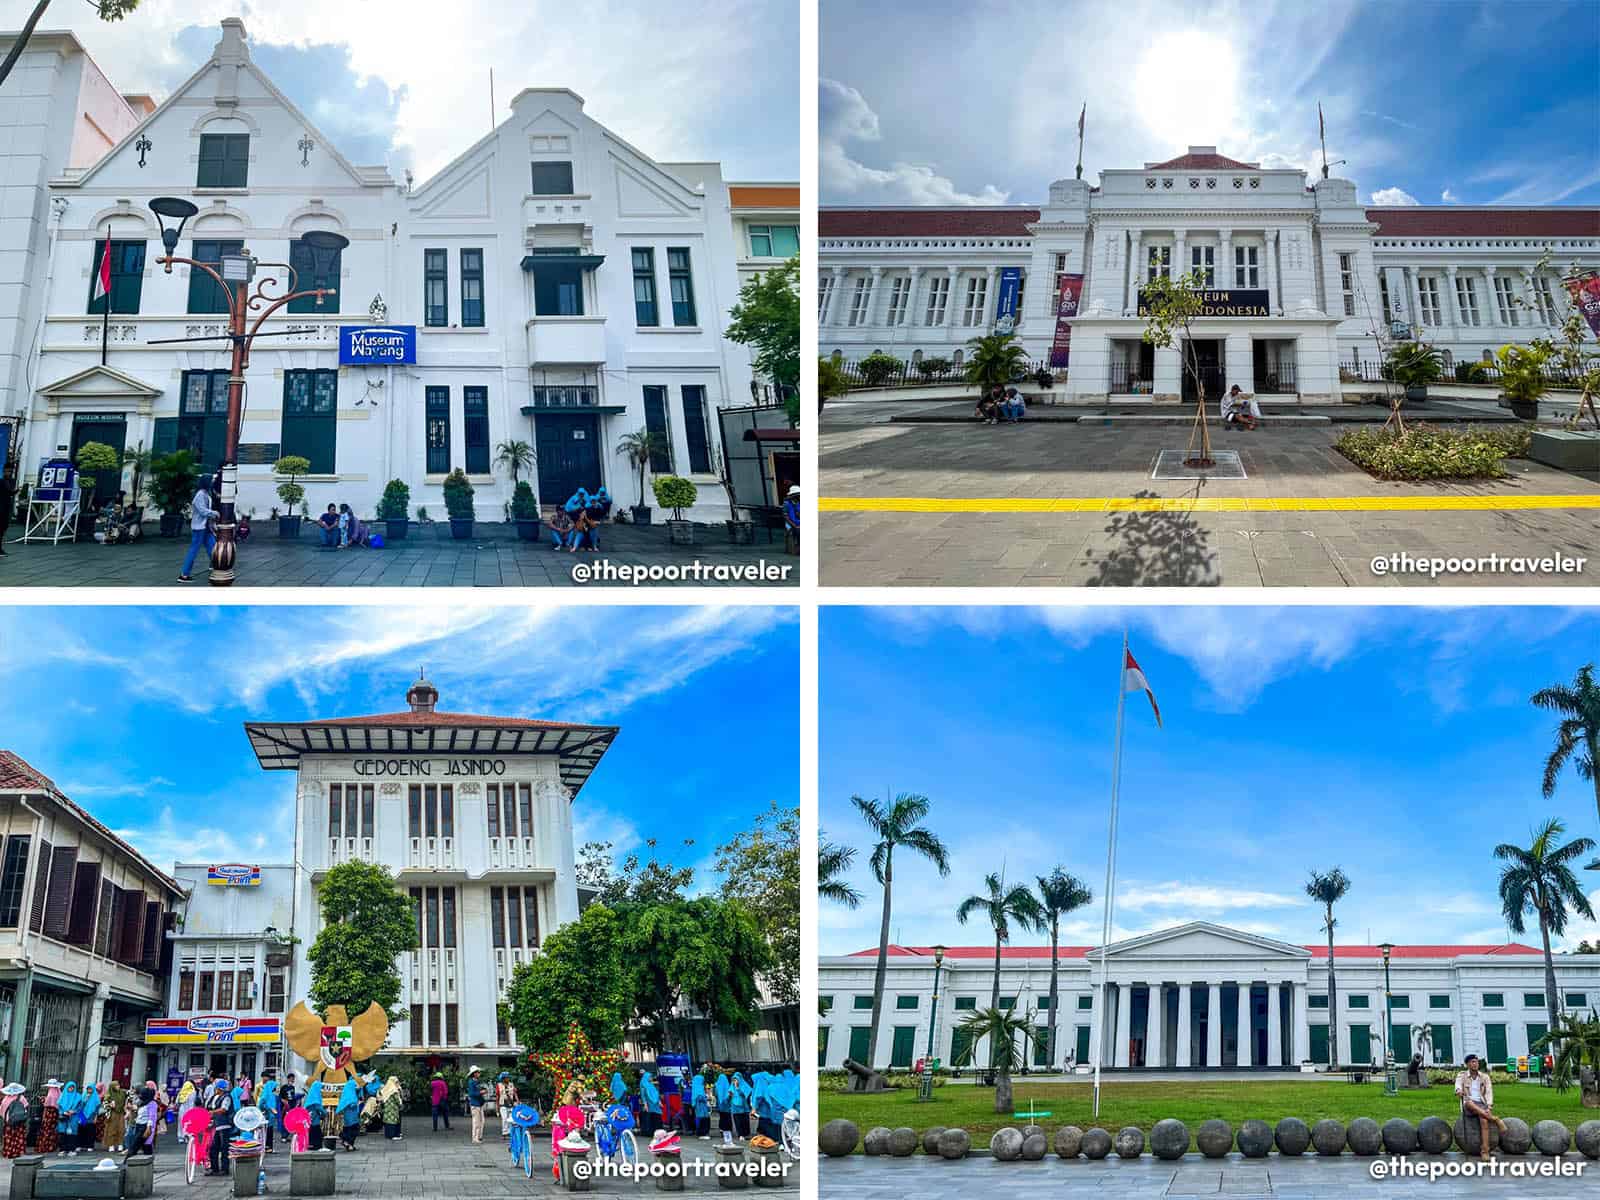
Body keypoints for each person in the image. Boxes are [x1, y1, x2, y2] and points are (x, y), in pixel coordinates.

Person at [1454, 1052, 1507, 1160]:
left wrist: (1489, 1106)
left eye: (1476, 1062)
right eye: (1472, 1062)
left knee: (1484, 1121)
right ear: (1468, 1064)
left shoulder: (1484, 1077)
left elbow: (1489, 1092)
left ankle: (1485, 1151)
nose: (1475, 1064)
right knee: (1468, 1102)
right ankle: (1495, 1119)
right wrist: (1459, 1091)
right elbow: (1458, 1085)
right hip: (1469, 1104)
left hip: (1481, 1104)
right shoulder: (1462, 1075)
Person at [178, 479, 216, 582]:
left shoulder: (206, 493)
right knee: (194, 550)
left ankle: (216, 567)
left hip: (206, 527)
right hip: (199, 528)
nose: (212, 482)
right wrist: (215, 513)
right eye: (211, 481)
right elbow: (203, 511)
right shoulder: (200, 495)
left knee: (213, 547)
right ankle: (184, 575)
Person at [205, 1080, 233, 1174]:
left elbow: (224, 1109)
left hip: (224, 1125)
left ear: (219, 1089)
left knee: (224, 1148)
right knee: (213, 1147)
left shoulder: (226, 1097)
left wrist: (212, 1112)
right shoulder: (215, 1097)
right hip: (215, 1125)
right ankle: (214, 1168)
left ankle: (225, 1169)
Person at [1, 1083, 28, 1158]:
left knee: (9, 1137)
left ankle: (9, 1152)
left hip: (9, 1122)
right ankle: (19, 1152)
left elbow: (2, 1110)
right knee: (19, 1136)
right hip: (19, 1122)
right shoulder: (21, 1098)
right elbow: (25, 1108)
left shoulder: (5, 1099)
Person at [336, 1077, 360, 1150]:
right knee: (353, 1131)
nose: (356, 1087)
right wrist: (357, 1103)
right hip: (352, 1118)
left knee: (348, 1130)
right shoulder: (352, 1095)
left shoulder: (346, 1094)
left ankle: (349, 1144)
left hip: (347, 1118)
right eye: (355, 1086)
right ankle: (348, 1143)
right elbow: (352, 1104)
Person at [466, 1066, 487, 1144]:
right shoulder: (471, 1082)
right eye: (478, 1072)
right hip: (475, 1104)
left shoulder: (477, 1081)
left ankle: (479, 1136)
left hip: (479, 1103)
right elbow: (471, 1093)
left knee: (482, 1121)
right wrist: (481, 1092)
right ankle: (475, 1138)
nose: (479, 1073)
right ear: (474, 1074)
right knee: (476, 1122)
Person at [379, 1077, 403, 1141]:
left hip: (387, 1108)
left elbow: (381, 1097)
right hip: (393, 1108)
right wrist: (400, 1104)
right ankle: (393, 1136)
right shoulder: (394, 1090)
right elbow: (397, 1100)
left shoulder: (386, 1088)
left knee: (387, 1121)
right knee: (392, 1121)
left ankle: (388, 1135)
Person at [495, 1073, 517, 1139]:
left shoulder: (511, 1084)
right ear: (503, 1079)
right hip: (502, 1104)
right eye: (506, 1078)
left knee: (511, 1119)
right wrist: (497, 1107)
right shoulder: (499, 1085)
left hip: (511, 1104)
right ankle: (504, 1132)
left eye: (508, 1077)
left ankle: (510, 1132)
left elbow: (515, 1093)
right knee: (504, 1118)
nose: (508, 1079)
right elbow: (497, 1096)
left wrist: (517, 1101)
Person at [0, 469, 15, 555]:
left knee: (2, 529)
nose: (8, 473)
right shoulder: (4, 482)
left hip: (4, 508)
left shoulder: (7, 481)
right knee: (1, 529)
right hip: (3, 509)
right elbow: (9, 492)